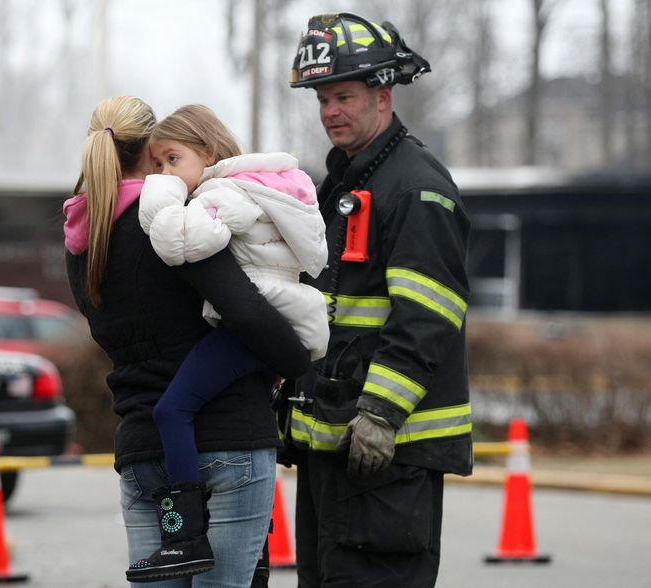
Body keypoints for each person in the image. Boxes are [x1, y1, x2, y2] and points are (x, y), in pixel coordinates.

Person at [63, 96, 311, 587]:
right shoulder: (171, 223)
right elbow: (245, 310)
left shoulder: (82, 241)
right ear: (152, 154)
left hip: (141, 451)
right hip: (226, 444)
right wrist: (296, 356)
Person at [282, 13, 473, 588]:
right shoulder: (346, 184)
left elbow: (429, 314)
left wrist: (381, 412)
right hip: (337, 451)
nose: (330, 111)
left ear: (383, 97)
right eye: (323, 99)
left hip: (388, 453)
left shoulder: (416, 187)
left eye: (344, 96)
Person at [133, 104, 330, 577]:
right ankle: (253, 542)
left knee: (171, 410)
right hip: (279, 316)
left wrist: (162, 193)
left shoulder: (226, 192)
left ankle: (183, 537)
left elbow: (178, 242)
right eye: (156, 165)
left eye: (173, 160)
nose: (164, 173)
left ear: (211, 151)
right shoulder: (262, 185)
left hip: (255, 321)